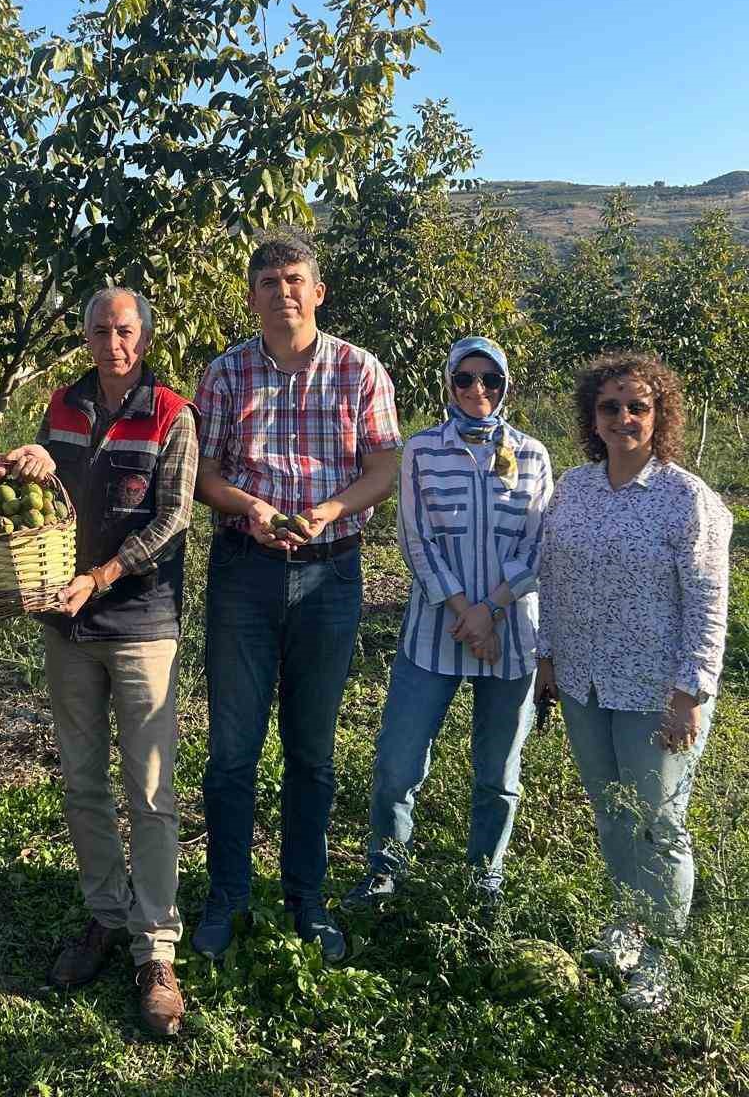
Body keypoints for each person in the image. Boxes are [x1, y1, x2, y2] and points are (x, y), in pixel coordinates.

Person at [193, 230, 402, 961]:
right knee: (231, 750)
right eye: (268, 282)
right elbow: (205, 475)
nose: (282, 292)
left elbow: (382, 469)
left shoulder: (358, 369)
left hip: (330, 574)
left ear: (317, 292)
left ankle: (305, 896)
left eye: (294, 280)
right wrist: (249, 508)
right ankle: (228, 894)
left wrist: (328, 512)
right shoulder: (224, 374)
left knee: (312, 751)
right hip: (245, 573)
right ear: (251, 297)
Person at [535, 353, 731, 1013]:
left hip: (655, 691)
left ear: (660, 416)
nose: (624, 417)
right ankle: (627, 926)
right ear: (592, 418)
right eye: (610, 406)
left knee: (660, 824)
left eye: (638, 406)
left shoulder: (686, 500)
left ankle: (663, 959)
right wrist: (548, 659)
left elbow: (709, 599)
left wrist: (690, 693)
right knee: (614, 816)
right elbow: (553, 578)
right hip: (587, 683)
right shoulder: (575, 488)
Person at [29, 287, 197, 1038]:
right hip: (66, 626)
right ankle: (103, 915)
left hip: (139, 624)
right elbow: (47, 500)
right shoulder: (61, 406)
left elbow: (175, 517)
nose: (112, 342)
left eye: (125, 330)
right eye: (100, 329)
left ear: (145, 337)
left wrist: (99, 576)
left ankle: (156, 947)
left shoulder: (172, 414)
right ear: (87, 335)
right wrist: (29, 463)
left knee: (152, 790)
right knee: (83, 781)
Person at [347, 337, 553, 913]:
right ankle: (385, 870)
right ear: (448, 384)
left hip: (510, 634)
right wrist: (467, 609)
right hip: (437, 630)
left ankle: (483, 879)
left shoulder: (533, 455)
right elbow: (416, 540)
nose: (477, 390)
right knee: (398, 762)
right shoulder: (421, 451)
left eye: (490, 379)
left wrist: (492, 609)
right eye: (465, 378)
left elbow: (540, 545)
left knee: (499, 770)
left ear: (506, 384)